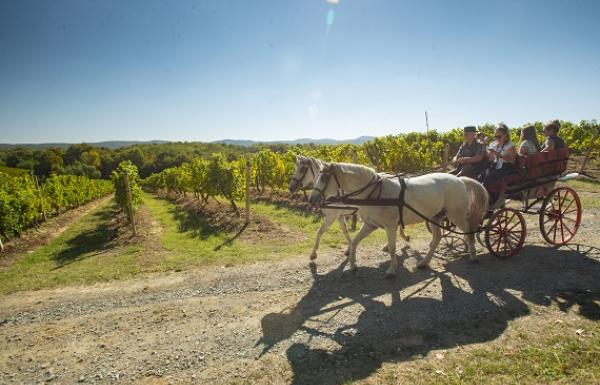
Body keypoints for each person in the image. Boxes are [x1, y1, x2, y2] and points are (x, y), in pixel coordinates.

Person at [483, 123, 517, 208]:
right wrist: (489, 154)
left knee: (487, 179)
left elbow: (513, 161)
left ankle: (491, 202)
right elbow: (491, 158)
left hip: (506, 168)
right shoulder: (494, 144)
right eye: (495, 136)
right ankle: (485, 201)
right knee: (480, 176)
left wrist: (500, 155)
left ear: (505, 135)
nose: (497, 138)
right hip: (495, 166)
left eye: (499, 136)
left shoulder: (510, 145)